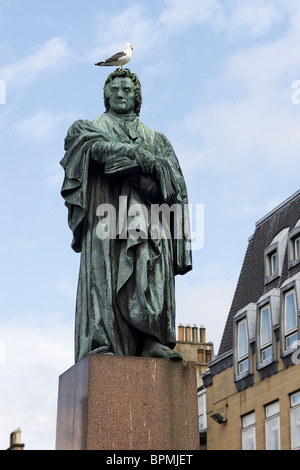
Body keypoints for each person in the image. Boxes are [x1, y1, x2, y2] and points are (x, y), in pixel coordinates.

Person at [60, 69, 192, 363]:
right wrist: (137, 156)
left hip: (148, 216)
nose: (120, 94)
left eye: (127, 90)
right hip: (105, 217)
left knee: (150, 267)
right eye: (115, 90)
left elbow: (176, 187)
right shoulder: (92, 127)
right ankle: (101, 342)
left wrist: (152, 184)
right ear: (105, 96)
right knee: (103, 278)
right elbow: (86, 149)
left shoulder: (156, 139)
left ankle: (152, 339)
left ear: (137, 98)